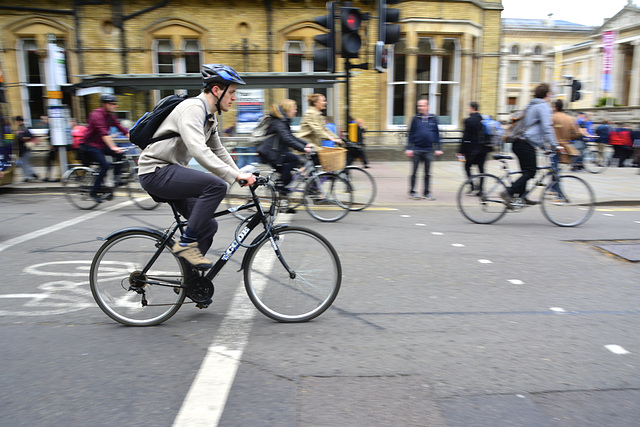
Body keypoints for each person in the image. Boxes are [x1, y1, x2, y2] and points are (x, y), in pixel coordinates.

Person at [138, 64, 256, 270]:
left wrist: (240, 173)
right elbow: (199, 151)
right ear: (217, 91)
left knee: (208, 225)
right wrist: (233, 176)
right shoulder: (193, 109)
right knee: (216, 186)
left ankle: (191, 280)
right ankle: (185, 244)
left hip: (170, 172)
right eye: (232, 92)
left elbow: (218, 150)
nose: (234, 98)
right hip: (156, 171)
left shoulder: (209, 116)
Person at [501, 83, 562, 205]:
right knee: (531, 171)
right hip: (525, 143)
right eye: (550, 94)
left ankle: (521, 197)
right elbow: (546, 128)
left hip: (519, 143)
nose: (550, 97)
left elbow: (534, 129)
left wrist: (544, 147)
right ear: (547, 94)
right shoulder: (542, 106)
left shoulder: (531, 105)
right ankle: (509, 192)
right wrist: (555, 145)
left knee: (526, 172)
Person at [256, 99, 313, 201]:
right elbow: (287, 139)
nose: (295, 111)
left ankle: (282, 197)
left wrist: (306, 144)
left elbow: (291, 137)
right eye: (294, 108)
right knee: (294, 160)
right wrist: (303, 148)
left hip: (276, 152)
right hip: (271, 153)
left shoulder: (282, 121)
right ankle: (279, 188)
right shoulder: (279, 122)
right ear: (287, 109)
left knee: (288, 175)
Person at [80, 94, 129, 202]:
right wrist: (113, 147)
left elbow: (121, 128)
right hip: (90, 146)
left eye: (115, 104)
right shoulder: (97, 115)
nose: (114, 106)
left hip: (101, 146)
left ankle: (117, 178)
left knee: (120, 155)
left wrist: (136, 139)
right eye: (112, 104)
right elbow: (104, 134)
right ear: (104, 104)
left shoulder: (110, 116)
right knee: (105, 165)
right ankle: (93, 191)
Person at [405, 97, 443, 200]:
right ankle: (412, 191)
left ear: (427, 107)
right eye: (418, 106)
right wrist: (409, 148)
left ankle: (426, 193)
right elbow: (411, 134)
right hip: (417, 149)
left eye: (422, 106)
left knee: (427, 173)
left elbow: (437, 134)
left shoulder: (433, 118)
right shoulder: (415, 118)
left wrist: (439, 148)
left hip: (429, 150)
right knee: (414, 172)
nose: (420, 108)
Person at [458, 102, 491, 194]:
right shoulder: (483, 119)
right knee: (481, 169)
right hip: (483, 149)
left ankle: (472, 186)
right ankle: (481, 190)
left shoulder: (469, 120)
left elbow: (465, 137)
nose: (467, 110)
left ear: (472, 108)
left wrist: (461, 151)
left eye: (468, 108)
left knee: (467, 166)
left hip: (472, 150)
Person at [551, 99, 580, 166]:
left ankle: (554, 174)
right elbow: (577, 133)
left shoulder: (552, 118)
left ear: (556, 107)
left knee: (554, 166)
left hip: (554, 145)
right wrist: (568, 138)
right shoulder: (571, 119)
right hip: (565, 147)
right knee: (556, 168)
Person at [15, 116, 38, 182]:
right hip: (22, 149)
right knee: (24, 163)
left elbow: (29, 137)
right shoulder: (21, 128)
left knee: (24, 163)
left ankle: (27, 176)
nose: (17, 122)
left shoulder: (23, 128)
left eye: (18, 121)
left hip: (25, 149)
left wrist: (22, 138)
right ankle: (32, 174)